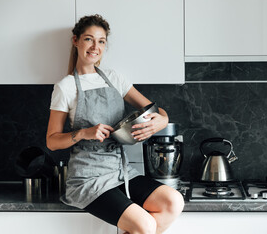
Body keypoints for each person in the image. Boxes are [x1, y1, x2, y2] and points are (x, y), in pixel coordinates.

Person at [46, 14, 184, 234]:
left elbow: (155, 110)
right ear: (76, 41)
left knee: (173, 202)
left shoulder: (114, 78)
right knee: (145, 225)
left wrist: (162, 121)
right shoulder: (66, 86)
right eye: (89, 39)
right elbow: (52, 141)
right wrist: (83, 133)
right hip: (88, 177)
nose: (95, 46)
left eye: (101, 41)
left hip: (121, 170)